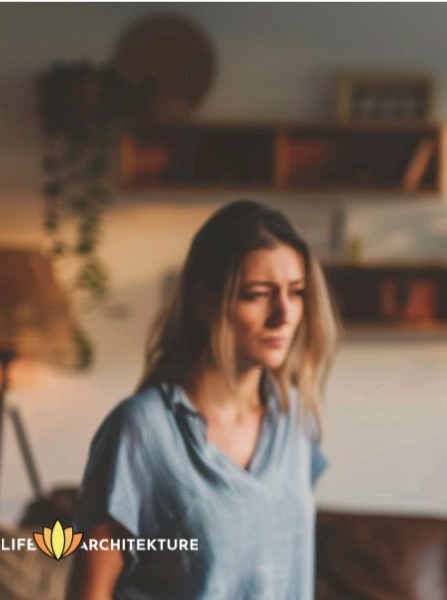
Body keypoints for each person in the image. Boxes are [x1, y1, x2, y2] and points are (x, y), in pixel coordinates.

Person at [68, 200, 337, 599]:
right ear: (202, 301)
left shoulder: (296, 419)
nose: (284, 314)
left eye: (296, 293)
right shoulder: (141, 430)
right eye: (258, 294)